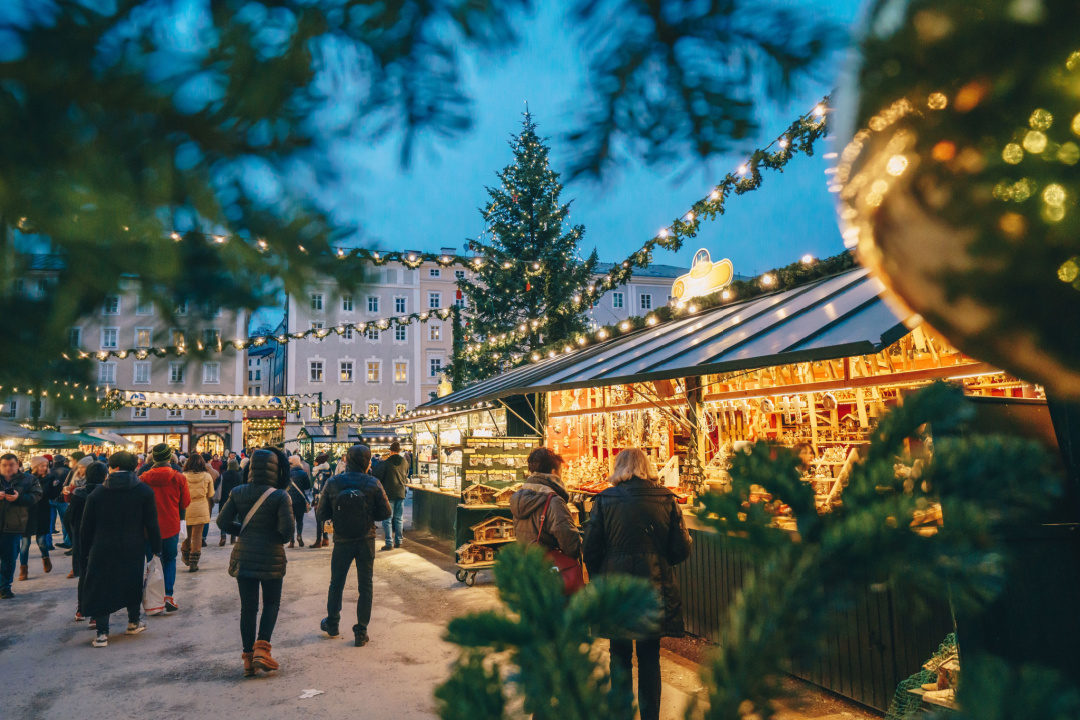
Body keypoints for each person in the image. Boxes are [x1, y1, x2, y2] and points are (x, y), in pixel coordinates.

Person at [582, 448, 692, 720]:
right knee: (649, 656)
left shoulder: (604, 500)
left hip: (616, 589)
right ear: (648, 468)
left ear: (619, 468)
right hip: (653, 587)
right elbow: (681, 549)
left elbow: (591, 550)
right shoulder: (666, 499)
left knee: (618, 654)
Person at [216, 447, 293, 676]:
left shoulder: (239, 491)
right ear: (275, 470)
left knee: (248, 609)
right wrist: (272, 536)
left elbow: (222, 522)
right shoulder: (280, 495)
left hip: (244, 555)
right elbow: (287, 532)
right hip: (272, 557)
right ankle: (263, 648)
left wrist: (243, 530)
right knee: (271, 604)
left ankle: (248, 659)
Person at [80, 451, 162, 647]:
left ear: (112, 467)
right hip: (133, 545)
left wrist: (84, 551)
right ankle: (133, 622)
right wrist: (156, 549)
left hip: (102, 545)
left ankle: (101, 633)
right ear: (135, 467)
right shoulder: (144, 491)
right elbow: (152, 524)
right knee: (132, 581)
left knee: (102, 584)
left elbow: (86, 527)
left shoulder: (97, 493)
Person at [316, 444, 391, 647]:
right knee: (365, 585)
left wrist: (338, 515)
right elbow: (386, 513)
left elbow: (321, 513)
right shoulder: (373, 483)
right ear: (367, 462)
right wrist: (367, 515)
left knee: (337, 582)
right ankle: (361, 631)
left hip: (342, 540)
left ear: (347, 460)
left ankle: (332, 623)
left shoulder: (333, 482)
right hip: (366, 538)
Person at [141, 443, 191, 611]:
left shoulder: (143, 478)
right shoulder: (179, 478)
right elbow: (185, 503)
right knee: (170, 560)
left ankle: (154, 600)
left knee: (152, 562)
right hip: (171, 525)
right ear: (169, 457)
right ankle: (168, 595)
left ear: (153, 458)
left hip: (148, 528)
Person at [509, 447, 581, 560]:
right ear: (553, 472)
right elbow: (570, 544)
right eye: (561, 472)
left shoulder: (519, 497)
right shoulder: (553, 500)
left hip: (527, 564)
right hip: (550, 567)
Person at [68, 461, 108, 622]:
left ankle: (81, 608)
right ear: (105, 475)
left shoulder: (78, 494)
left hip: (82, 538)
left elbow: (68, 518)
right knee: (101, 575)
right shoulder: (106, 493)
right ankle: (96, 615)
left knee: (84, 575)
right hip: (101, 539)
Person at [0, 454, 43, 599]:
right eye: (4, 465)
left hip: (14, 525)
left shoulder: (29, 479)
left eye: (11, 464)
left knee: (9, 559)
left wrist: (19, 498)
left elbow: (37, 496)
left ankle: (5, 587)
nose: (8, 468)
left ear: (17, 464)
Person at [19, 456, 54, 580]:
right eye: (42, 465)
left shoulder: (49, 478)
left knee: (42, 542)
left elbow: (52, 495)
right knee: (25, 544)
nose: (45, 468)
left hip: (42, 512)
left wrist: (56, 486)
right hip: (27, 513)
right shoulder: (25, 478)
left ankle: (45, 558)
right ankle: (23, 569)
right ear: (35, 466)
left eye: (46, 466)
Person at [180, 453, 214, 572]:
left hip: (186, 507)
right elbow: (210, 494)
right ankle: (194, 561)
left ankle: (185, 555)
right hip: (201, 507)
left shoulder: (183, 476)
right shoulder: (207, 476)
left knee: (187, 534)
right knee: (198, 535)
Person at [372, 441, 409, 551]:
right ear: (399, 451)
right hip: (401, 493)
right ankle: (399, 541)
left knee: (387, 519)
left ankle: (389, 543)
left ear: (391, 451)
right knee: (399, 518)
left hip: (388, 494)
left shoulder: (386, 463)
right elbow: (406, 474)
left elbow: (378, 476)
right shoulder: (405, 462)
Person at [286, 456, 311, 548]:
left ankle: (291, 541)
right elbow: (307, 486)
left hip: (289, 499)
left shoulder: (287, 473)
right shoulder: (303, 473)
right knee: (300, 520)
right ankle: (299, 535)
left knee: (291, 520)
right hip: (300, 500)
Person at [217, 459, 243, 546]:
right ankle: (233, 538)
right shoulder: (239, 475)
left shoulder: (223, 475)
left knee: (224, 517)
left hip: (224, 498)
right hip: (237, 499)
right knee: (235, 518)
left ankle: (223, 536)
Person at [47, 455, 71, 548]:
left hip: (50, 498)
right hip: (63, 498)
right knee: (65, 521)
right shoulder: (67, 471)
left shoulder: (49, 471)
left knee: (49, 522)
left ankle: (48, 544)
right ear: (63, 461)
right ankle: (67, 541)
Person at [310, 454, 332, 550]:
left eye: (315, 461)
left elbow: (318, 489)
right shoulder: (329, 472)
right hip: (328, 499)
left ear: (319, 463)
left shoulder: (320, 474)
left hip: (320, 499)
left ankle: (318, 540)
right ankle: (326, 539)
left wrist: (316, 501)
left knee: (319, 520)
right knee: (325, 518)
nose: (313, 463)